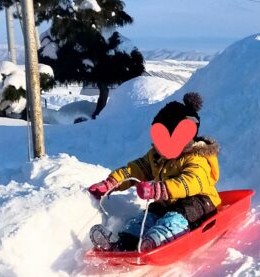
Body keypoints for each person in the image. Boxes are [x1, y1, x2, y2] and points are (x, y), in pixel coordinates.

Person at [88, 92, 221, 252]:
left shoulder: (196, 158)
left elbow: (191, 181)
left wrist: (159, 189)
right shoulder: (157, 155)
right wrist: (110, 183)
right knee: (148, 216)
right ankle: (122, 241)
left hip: (199, 203)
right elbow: (135, 169)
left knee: (178, 216)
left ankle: (157, 240)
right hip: (166, 203)